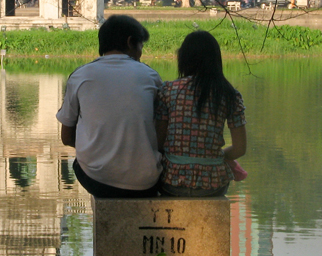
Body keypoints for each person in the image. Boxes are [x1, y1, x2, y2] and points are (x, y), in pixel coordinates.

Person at [56, 15, 163, 198]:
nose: (140, 53)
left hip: (97, 180)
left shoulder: (80, 76)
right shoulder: (150, 76)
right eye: (141, 47)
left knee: (78, 162)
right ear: (131, 42)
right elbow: (161, 133)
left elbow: (66, 137)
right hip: (146, 182)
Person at [154, 30, 247, 197]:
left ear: (183, 59)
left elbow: (159, 144)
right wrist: (214, 155)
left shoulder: (168, 90)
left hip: (172, 182)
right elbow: (240, 149)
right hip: (213, 184)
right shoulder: (229, 94)